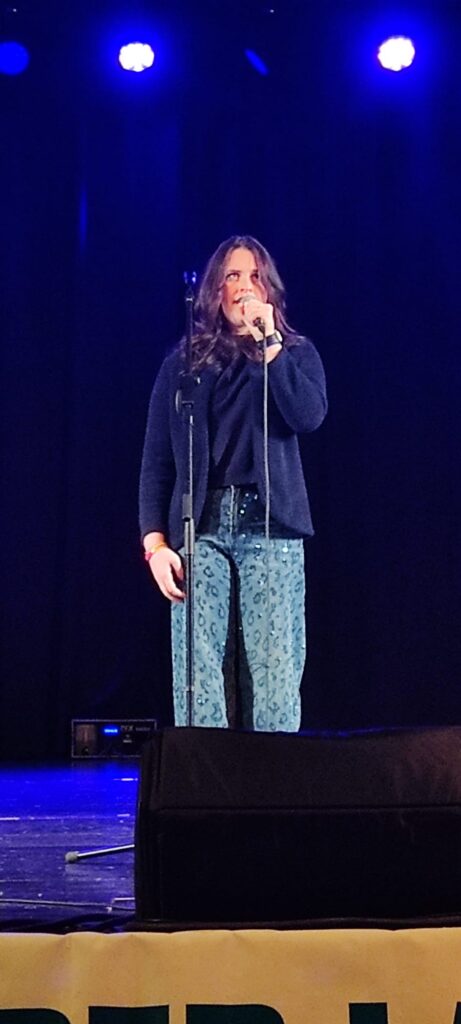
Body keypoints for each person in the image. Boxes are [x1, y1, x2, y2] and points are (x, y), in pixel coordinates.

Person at [139, 235, 327, 732]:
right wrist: (155, 545)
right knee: (197, 670)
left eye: (255, 277)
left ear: (269, 290)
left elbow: (308, 416)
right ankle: (205, 776)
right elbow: (157, 461)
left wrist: (271, 348)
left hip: (271, 526)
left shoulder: (296, 354)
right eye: (233, 276)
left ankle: (274, 775)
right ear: (214, 290)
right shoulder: (184, 365)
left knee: (275, 669)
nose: (244, 287)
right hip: (201, 529)